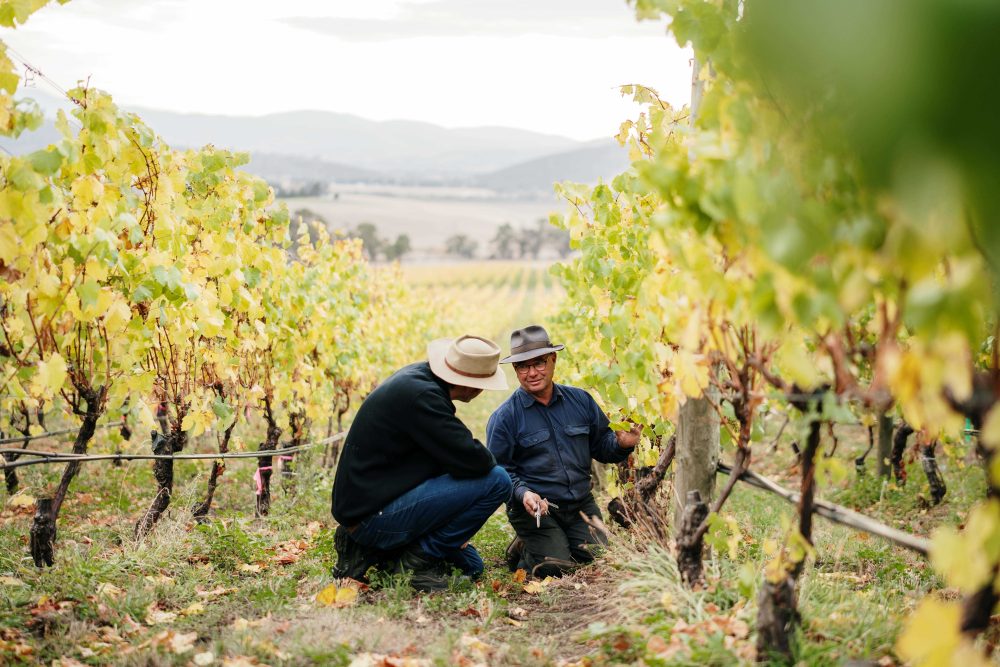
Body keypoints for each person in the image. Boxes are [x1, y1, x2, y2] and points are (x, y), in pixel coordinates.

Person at [331, 335, 513, 591]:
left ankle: (371, 552)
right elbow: (477, 461)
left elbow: (450, 457)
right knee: (498, 481)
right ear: (471, 385)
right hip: (372, 517)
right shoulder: (423, 397)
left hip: (370, 505)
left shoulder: (418, 378)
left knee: (472, 566)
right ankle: (412, 567)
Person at [487, 325, 641, 577]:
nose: (532, 373)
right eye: (523, 367)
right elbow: (499, 472)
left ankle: (550, 541)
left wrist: (622, 444)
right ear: (515, 370)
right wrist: (524, 493)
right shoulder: (505, 418)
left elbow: (602, 448)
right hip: (536, 510)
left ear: (553, 360)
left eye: (539, 363)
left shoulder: (581, 401)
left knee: (599, 557)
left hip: (581, 504)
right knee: (554, 567)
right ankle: (524, 548)